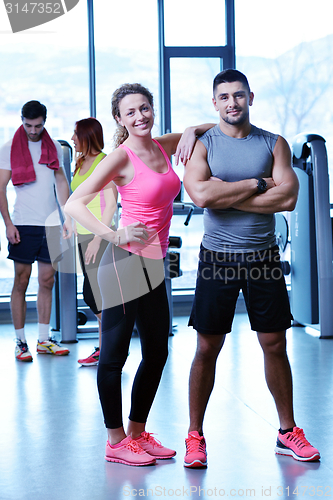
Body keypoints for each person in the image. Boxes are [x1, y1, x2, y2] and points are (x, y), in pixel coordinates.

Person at [65, 83, 213, 466]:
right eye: (130, 112)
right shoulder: (120, 156)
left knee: (157, 352)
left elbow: (211, 127)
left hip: (155, 265)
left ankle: (136, 433)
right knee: (114, 356)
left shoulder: (163, 144)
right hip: (124, 264)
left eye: (145, 108)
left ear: (152, 109)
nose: (140, 117)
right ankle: (115, 441)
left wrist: (193, 131)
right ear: (119, 119)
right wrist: (112, 233)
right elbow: (73, 203)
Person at [182, 69, 320, 468]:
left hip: (263, 258)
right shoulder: (203, 145)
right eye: (223, 97)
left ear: (250, 97)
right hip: (217, 258)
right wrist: (260, 185)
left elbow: (289, 198)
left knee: (274, 344)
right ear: (214, 103)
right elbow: (201, 193)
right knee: (207, 347)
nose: (232, 103)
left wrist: (225, 194)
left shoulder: (272, 143)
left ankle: (286, 431)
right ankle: (195, 436)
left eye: (238, 95)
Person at [0, 100, 72, 361]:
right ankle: (20, 342)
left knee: (47, 281)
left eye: (38, 125)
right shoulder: (8, 148)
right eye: (28, 125)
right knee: (21, 281)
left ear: (44, 122)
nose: (33, 130)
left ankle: (43, 340)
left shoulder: (52, 147)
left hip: (51, 222)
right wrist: (8, 223)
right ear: (22, 121)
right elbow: (0, 188)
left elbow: (61, 181)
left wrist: (67, 217)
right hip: (23, 223)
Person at [71, 118, 118, 367]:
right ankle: (105, 348)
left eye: (75, 135)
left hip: (98, 237)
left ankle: (111, 346)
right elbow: (77, 198)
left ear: (87, 136)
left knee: (93, 295)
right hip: (83, 235)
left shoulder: (104, 162)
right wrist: (71, 225)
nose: (72, 139)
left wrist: (98, 239)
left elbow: (111, 204)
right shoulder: (79, 163)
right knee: (95, 295)